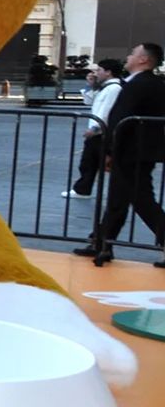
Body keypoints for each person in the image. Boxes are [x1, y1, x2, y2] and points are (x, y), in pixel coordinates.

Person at [78, 42, 165, 266]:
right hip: (141, 150)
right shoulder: (153, 84)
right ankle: (101, 243)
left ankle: (103, 243)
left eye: (133, 53)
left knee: (142, 200)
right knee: (118, 199)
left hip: (130, 151)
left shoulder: (138, 86)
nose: (128, 56)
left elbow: (120, 119)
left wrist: (109, 150)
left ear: (144, 60)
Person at [62, 58, 125, 199]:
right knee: (90, 161)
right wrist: (91, 85)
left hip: (101, 131)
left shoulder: (114, 88)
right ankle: (83, 189)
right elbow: (89, 101)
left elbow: (106, 111)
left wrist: (96, 128)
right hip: (98, 130)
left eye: (99, 70)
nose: (96, 73)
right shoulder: (106, 87)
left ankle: (83, 189)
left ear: (108, 72)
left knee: (94, 160)